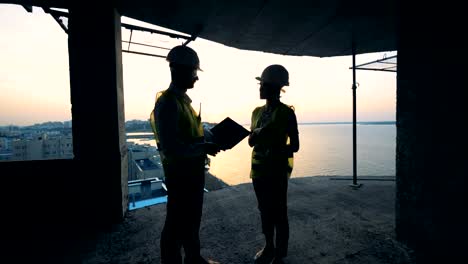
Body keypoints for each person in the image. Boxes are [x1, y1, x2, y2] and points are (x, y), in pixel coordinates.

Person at [150, 45, 220, 264]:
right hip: (180, 176)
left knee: (191, 220)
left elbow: (190, 135)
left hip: (192, 173)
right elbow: (172, 148)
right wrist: (204, 148)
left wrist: (210, 137)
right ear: (178, 71)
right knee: (176, 224)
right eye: (193, 72)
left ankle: (193, 258)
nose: (196, 78)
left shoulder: (183, 103)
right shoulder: (168, 104)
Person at [248, 65, 300, 264]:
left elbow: (295, 146)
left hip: (276, 172)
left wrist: (276, 148)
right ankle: (269, 246)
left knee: (279, 212)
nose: (259, 88)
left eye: (263, 84)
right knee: (264, 210)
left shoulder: (287, 113)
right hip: (258, 171)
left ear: (275, 87)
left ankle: (280, 253)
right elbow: (251, 142)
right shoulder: (256, 112)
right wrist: (255, 136)